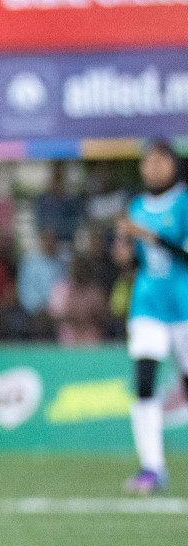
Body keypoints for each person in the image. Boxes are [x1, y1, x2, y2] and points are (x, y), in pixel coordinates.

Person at [112, 141, 188, 496]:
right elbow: (133, 259)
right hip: (147, 304)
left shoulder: (185, 202)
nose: (153, 167)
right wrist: (124, 250)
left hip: (183, 305)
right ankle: (152, 467)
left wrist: (149, 236)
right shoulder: (137, 206)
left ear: (173, 164)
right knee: (144, 380)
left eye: (160, 160)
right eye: (148, 161)